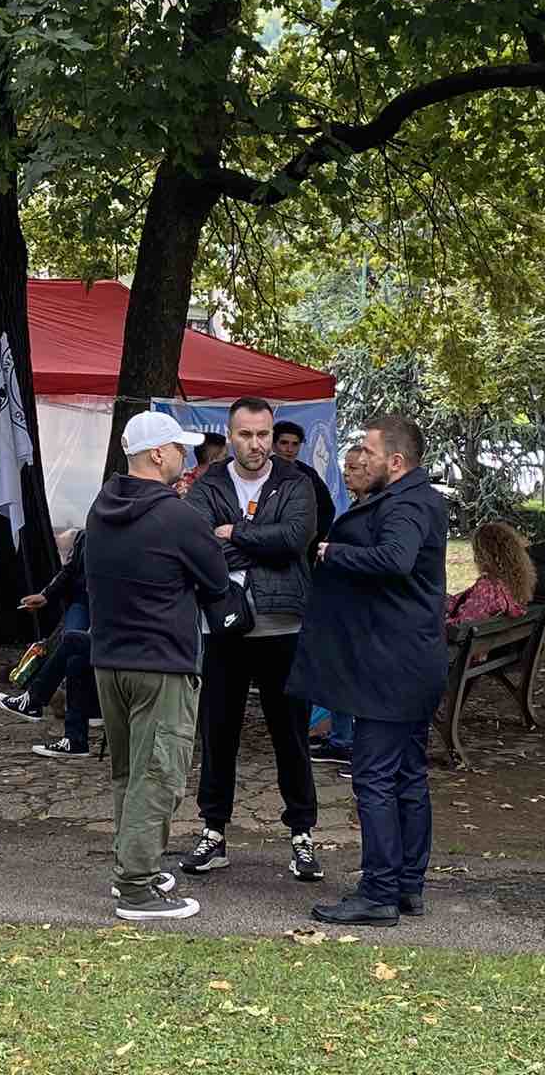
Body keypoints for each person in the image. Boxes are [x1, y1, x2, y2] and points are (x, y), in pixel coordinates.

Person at [290, 415, 448, 927]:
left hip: (390, 666)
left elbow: (396, 559)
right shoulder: (416, 498)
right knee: (406, 776)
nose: (358, 457)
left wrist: (335, 552)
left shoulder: (405, 504)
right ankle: (407, 885)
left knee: (376, 777)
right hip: (408, 660)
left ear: (396, 462)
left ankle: (379, 890)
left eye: (367, 450)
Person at [85, 410, 230, 921]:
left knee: (129, 771)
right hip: (163, 662)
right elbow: (216, 580)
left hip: (109, 660)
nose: (185, 458)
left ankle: (132, 863)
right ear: (156, 454)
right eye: (178, 448)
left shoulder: (101, 508)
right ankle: (137, 886)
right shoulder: (179, 516)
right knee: (160, 773)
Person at [180, 396, 323, 884]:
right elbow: (198, 543)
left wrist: (235, 532)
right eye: (246, 434)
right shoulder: (209, 483)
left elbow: (294, 541)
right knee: (218, 734)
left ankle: (302, 835)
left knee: (291, 737)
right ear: (230, 434)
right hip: (223, 628)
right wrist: (256, 539)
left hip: (283, 627)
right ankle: (213, 832)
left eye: (263, 434)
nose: (257, 444)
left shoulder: (296, 482)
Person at [0, 529, 100, 757]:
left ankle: (40, 703)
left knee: (75, 645)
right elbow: (70, 570)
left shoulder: (135, 527)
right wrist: (46, 595)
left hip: (110, 605)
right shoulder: (93, 525)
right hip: (84, 601)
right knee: (73, 648)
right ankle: (73, 735)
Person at [310, 443, 370, 767]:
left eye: (355, 468)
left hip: (357, 608)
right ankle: (341, 738)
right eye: (345, 466)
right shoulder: (354, 506)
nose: (347, 473)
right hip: (341, 605)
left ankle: (349, 743)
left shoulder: (374, 511)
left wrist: (333, 553)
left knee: (349, 675)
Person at [445, 521, 534, 627]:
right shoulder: (512, 585)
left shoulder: (488, 587)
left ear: (484, 555)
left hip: (459, 642)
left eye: (476, 552)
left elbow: (462, 625)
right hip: (496, 641)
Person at [272, 420, 337, 558]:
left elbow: (327, 509)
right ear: (273, 445)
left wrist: (311, 540)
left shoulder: (309, 474)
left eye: (295, 444)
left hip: (301, 551)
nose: (289, 449)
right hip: (266, 545)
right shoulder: (260, 471)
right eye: (284, 443)